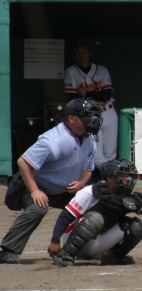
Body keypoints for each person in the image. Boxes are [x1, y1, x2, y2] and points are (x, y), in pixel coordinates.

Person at [0, 98, 102, 264]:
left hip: (64, 190)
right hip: (36, 185)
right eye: (87, 117)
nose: (92, 121)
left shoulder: (89, 139)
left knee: (95, 204)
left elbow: (89, 168)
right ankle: (7, 251)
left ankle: (82, 249)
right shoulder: (54, 140)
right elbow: (23, 162)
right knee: (38, 209)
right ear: (72, 118)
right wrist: (34, 191)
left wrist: (81, 183)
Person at [49, 159, 142, 266]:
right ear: (109, 178)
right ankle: (66, 255)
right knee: (95, 218)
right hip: (71, 240)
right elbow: (65, 216)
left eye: (128, 177)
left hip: (95, 245)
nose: (126, 180)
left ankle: (113, 257)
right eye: (122, 177)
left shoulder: (127, 197)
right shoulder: (90, 192)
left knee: (136, 226)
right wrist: (55, 241)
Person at [64, 40, 118, 167]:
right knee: (97, 156)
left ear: (89, 53)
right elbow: (73, 97)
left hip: (109, 111)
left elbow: (106, 95)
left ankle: (109, 177)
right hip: (90, 115)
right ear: (73, 56)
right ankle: (102, 176)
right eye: (78, 52)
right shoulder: (71, 72)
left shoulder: (102, 70)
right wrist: (95, 99)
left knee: (111, 154)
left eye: (84, 51)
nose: (81, 54)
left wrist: (85, 93)